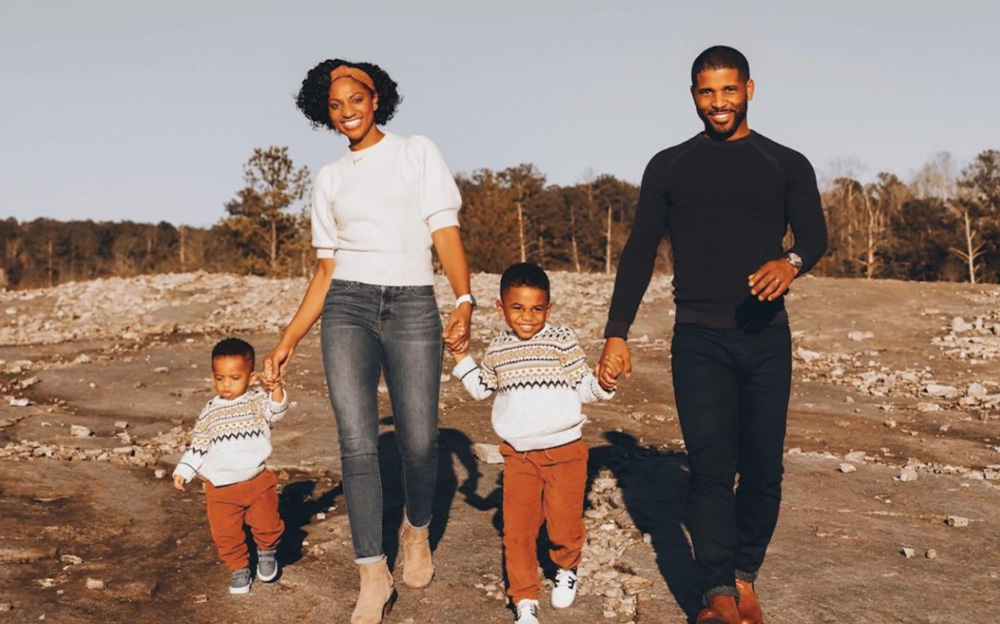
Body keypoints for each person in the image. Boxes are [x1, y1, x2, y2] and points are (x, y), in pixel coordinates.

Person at [598, 46, 828, 624]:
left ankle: (745, 575)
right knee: (709, 469)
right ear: (693, 95)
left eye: (728, 90)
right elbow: (639, 251)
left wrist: (791, 263)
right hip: (698, 339)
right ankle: (717, 592)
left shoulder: (786, 162)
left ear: (749, 89)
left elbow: (816, 235)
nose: (718, 103)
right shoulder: (669, 166)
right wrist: (616, 332)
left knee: (764, 469)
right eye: (707, 92)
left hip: (765, 337)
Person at [262, 59, 474, 624]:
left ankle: (417, 530)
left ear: (376, 98)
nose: (346, 111)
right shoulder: (329, 179)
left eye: (355, 98)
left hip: (411, 304)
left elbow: (444, 229)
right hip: (347, 307)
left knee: (422, 443)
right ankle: (371, 575)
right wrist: (288, 339)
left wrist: (464, 299)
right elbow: (326, 271)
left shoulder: (416, 152)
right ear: (325, 113)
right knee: (356, 444)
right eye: (335, 105)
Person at [451, 263, 623, 624]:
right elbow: (481, 389)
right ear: (501, 308)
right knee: (517, 531)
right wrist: (459, 356)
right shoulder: (498, 348)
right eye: (517, 308)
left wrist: (604, 381)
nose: (527, 317)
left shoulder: (562, 340)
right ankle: (525, 598)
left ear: (548, 308)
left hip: (566, 453)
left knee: (563, 525)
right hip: (519, 458)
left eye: (536, 308)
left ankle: (566, 566)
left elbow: (585, 388)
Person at [172, 337, 289, 595]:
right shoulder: (210, 411)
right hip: (220, 489)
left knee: (268, 524)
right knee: (226, 533)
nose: (226, 385)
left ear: (250, 377)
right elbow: (199, 444)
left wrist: (277, 390)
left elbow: (276, 411)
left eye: (234, 378)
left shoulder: (256, 400)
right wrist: (184, 470)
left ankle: (267, 551)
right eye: (219, 378)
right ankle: (239, 568)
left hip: (257, 480)